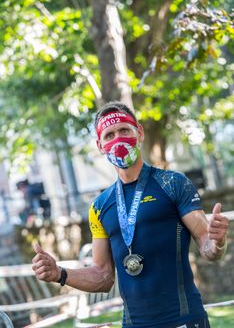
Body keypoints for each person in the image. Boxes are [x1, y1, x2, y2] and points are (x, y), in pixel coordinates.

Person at [32, 101, 229, 328]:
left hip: (184, 321)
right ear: (100, 145)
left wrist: (218, 241)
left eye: (125, 130)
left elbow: (209, 248)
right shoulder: (99, 206)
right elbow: (104, 276)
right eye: (109, 135)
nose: (118, 139)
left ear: (139, 132)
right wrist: (59, 273)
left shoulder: (173, 184)